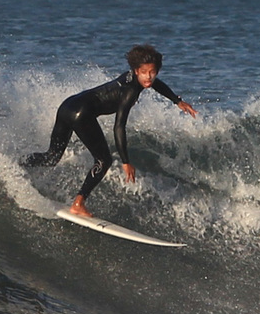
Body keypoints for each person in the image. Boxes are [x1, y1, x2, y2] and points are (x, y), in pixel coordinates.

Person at [22, 44, 198, 217]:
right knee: (104, 160)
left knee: (52, 157)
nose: (149, 77)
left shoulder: (133, 77)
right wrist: (125, 161)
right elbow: (119, 125)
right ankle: (78, 203)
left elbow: (155, 84)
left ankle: (20, 163)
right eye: (144, 72)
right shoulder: (129, 92)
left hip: (67, 106)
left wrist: (176, 100)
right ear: (136, 70)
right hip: (81, 114)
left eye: (152, 72)